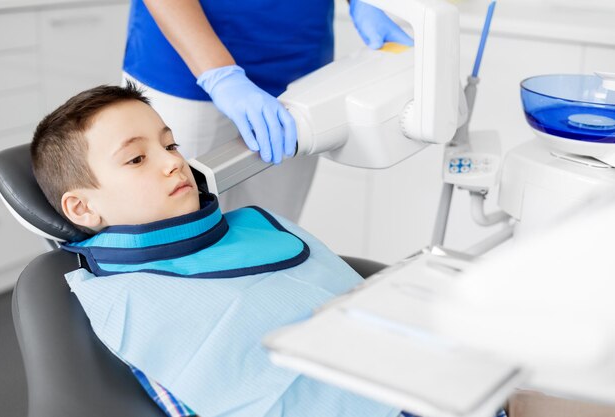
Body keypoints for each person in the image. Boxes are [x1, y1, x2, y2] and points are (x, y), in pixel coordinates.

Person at [30, 84, 411, 417]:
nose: (174, 162)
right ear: (82, 208)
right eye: (136, 159)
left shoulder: (254, 227)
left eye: (170, 144)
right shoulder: (130, 300)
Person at [122, 0, 414, 221]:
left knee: (271, 232)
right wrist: (220, 76)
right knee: (173, 237)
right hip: (182, 69)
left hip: (296, 68)